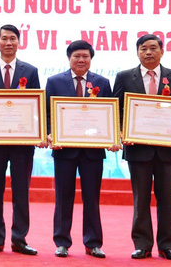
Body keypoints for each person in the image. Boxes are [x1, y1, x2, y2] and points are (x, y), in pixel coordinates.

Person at [112, 34, 171, 261]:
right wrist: (122, 132)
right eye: (143, 48)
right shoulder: (125, 77)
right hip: (138, 149)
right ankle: (142, 245)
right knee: (141, 200)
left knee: (167, 200)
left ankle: (168, 246)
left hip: (167, 150)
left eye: (153, 48)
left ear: (162, 52)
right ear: (137, 52)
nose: (148, 52)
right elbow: (117, 110)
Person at [45, 40, 119, 258]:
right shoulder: (54, 81)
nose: (81, 60)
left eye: (85, 56)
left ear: (91, 59)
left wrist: (112, 137)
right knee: (63, 197)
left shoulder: (102, 82)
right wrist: (49, 134)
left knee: (92, 198)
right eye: (76, 56)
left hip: (92, 151)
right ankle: (62, 242)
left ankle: (93, 243)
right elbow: (48, 112)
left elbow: (110, 113)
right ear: (69, 58)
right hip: (64, 150)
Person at [0, 24, 40, 256]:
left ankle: (19, 239)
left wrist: (37, 132)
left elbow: (36, 105)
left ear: (19, 42)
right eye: (4, 38)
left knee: (21, 192)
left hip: (22, 143)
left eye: (13, 38)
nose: (8, 42)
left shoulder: (30, 71)